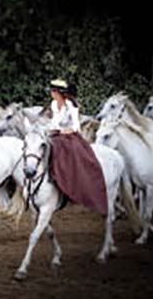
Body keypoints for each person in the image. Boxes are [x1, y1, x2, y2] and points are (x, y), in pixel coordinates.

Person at [46, 79, 108, 215]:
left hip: (70, 136)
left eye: (53, 91)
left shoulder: (71, 105)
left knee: (69, 152)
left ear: (58, 93)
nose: (51, 93)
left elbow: (76, 126)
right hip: (55, 135)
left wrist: (63, 130)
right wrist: (50, 129)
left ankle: (68, 180)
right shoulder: (53, 105)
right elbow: (54, 122)